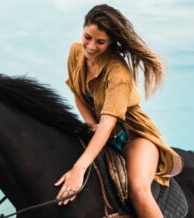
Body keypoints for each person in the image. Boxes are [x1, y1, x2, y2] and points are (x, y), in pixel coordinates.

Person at [54, 4, 183, 218]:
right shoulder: (75, 52)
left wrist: (79, 169)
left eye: (100, 42)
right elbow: (78, 93)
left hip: (134, 136)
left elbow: (108, 124)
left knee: (138, 189)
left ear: (112, 41)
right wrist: (89, 125)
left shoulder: (118, 72)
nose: (91, 46)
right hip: (102, 131)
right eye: (88, 37)